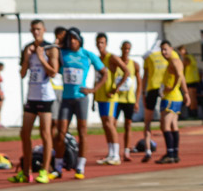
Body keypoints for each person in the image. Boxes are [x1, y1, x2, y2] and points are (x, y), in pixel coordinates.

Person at [11, 19, 60, 184]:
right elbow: (22, 73)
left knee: (45, 134)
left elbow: (53, 72)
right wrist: (27, 58)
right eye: (33, 30)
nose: (35, 32)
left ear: (44, 30)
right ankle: (26, 172)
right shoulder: (27, 47)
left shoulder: (50, 48)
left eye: (38, 29)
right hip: (31, 96)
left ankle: (45, 171)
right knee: (24, 133)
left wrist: (41, 57)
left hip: (45, 97)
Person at [54, 27, 107, 179]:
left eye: (75, 39)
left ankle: (80, 167)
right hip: (66, 99)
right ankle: (57, 167)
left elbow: (105, 73)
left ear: (80, 40)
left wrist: (93, 89)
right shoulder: (62, 53)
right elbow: (51, 58)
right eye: (69, 39)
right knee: (61, 133)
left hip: (81, 98)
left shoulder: (87, 55)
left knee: (82, 132)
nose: (72, 41)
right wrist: (57, 42)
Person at [94, 33, 127, 166]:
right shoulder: (97, 59)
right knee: (105, 125)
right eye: (98, 43)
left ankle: (116, 154)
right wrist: (93, 95)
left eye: (102, 42)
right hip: (100, 96)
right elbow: (95, 77)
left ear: (106, 44)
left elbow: (126, 71)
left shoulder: (111, 57)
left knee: (110, 123)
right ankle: (110, 153)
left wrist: (116, 88)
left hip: (110, 97)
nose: (100, 45)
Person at [155, 40, 189, 164]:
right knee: (173, 125)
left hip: (171, 97)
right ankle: (174, 153)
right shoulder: (174, 60)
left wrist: (173, 87)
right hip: (175, 97)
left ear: (171, 48)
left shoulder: (174, 60)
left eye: (165, 49)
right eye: (162, 50)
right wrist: (185, 93)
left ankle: (171, 153)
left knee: (165, 125)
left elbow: (180, 76)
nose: (163, 52)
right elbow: (182, 77)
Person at [113, 40, 143, 162]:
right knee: (112, 124)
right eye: (124, 48)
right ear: (121, 49)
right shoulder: (116, 63)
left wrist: (137, 100)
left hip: (129, 99)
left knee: (128, 125)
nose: (126, 51)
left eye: (128, 49)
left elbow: (139, 84)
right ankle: (114, 150)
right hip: (117, 99)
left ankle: (126, 151)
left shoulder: (134, 65)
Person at [140, 42, 169, 162]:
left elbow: (145, 76)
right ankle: (169, 149)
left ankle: (148, 150)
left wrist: (143, 93)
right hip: (163, 89)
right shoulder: (168, 55)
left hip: (152, 89)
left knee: (147, 122)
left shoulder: (148, 56)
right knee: (165, 122)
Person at [178, 45, 200, 118]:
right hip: (194, 79)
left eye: (181, 51)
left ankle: (192, 114)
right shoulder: (192, 56)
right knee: (193, 98)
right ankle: (194, 113)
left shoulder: (186, 58)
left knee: (191, 98)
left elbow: (183, 66)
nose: (181, 53)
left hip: (189, 80)